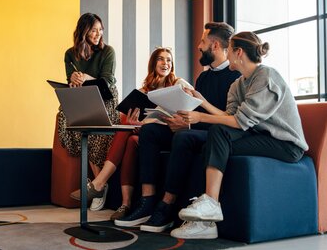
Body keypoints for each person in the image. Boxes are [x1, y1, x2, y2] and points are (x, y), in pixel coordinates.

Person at [171, 31, 308, 239]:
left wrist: (200, 117)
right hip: (260, 136)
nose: (226, 55)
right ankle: (206, 223)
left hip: (286, 145)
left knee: (217, 135)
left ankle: (210, 205)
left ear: (239, 52)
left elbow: (239, 122)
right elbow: (229, 117)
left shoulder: (266, 77)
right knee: (210, 143)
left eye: (229, 50)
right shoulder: (238, 84)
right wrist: (202, 102)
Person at [114, 22, 241, 234]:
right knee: (150, 132)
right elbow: (192, 110)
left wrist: (188, 125)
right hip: (196, 128)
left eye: (202, 41)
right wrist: (180, 121)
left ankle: (166, 206)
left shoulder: (236, 77)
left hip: (218, 135)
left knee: (183, 138)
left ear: (215, 45)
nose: (199, 46)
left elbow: (229, 119)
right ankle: (147, 201)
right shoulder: (204, 77)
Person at [69, 47, 193, 219]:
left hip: (172, 133)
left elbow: (193, 107)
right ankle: (125, 204)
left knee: (128, 128)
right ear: (153, 63)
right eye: (161, 59)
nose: (165, 63)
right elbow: (140, 121)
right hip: (149, 134)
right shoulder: (143, 91)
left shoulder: (179, 84)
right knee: (129, 133)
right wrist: (137, 123)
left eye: (169, 60)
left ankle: (99, 183)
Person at [57, 13, 120, 187]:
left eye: (100, 30)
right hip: (83, 97)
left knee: (94, 133)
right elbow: (71, 79)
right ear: (84, 31)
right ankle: (99, 186)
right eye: (93, 30)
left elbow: (107, 81)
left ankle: (97, 186)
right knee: (65, 116)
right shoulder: (70, 54)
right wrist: (74, 80)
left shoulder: (108, 51)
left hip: (105, 98)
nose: (98, 33)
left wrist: (86, 77)